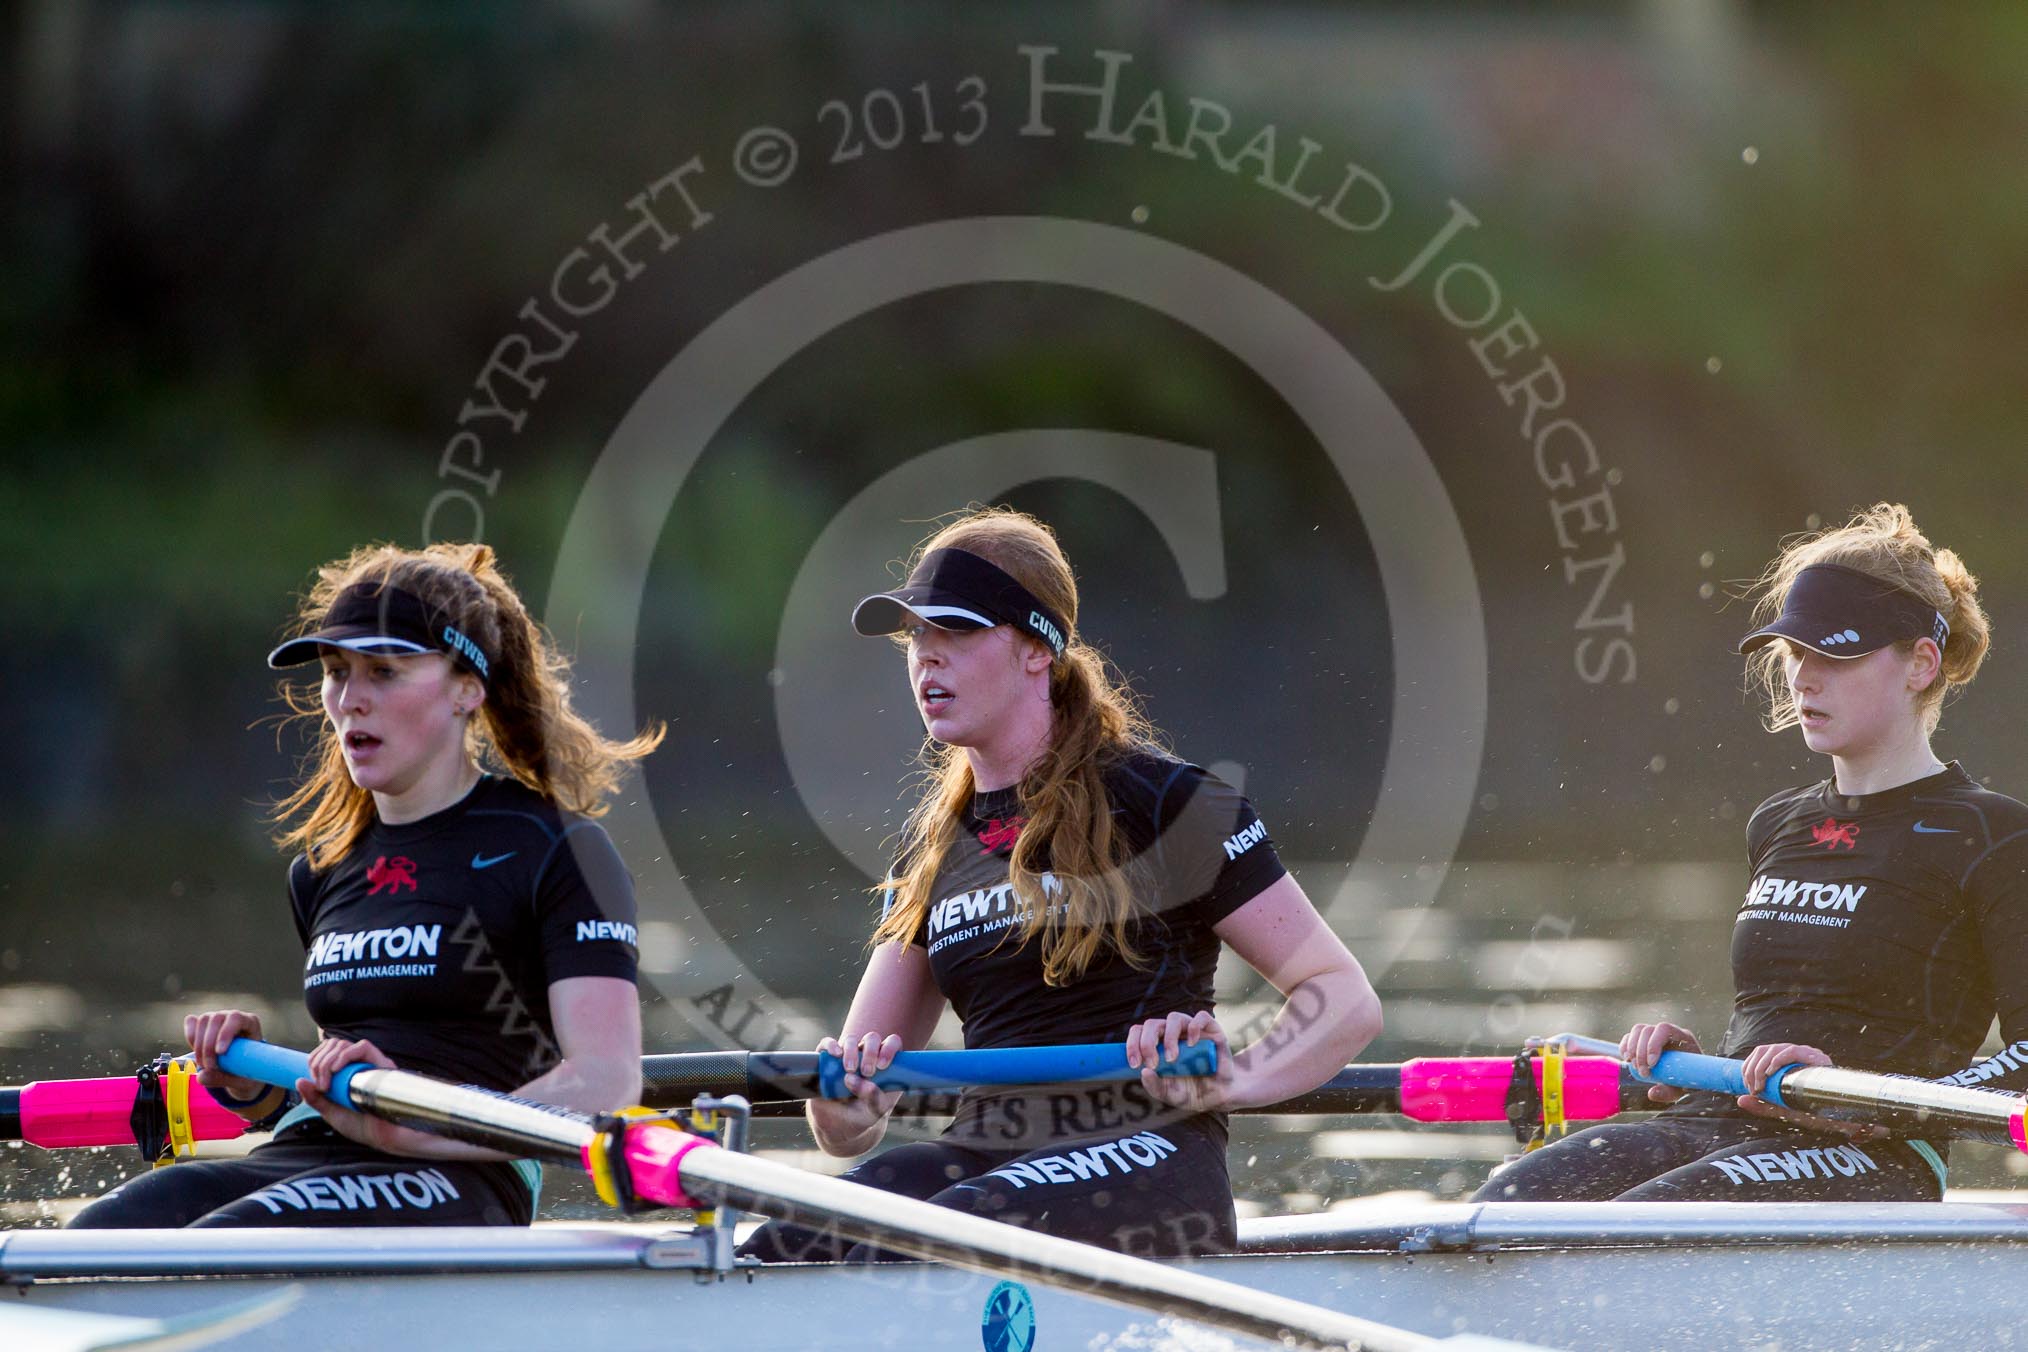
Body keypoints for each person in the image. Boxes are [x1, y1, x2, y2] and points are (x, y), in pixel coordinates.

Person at [740, 506, 1382, 1262]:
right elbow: (846, 1126)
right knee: (777, 1249)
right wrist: (846, 1103)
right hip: (984, 1157)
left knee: (932, 1236)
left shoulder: (1171, 804)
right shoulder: (933, 849)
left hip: (1148, 1155)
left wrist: (1228, 1081)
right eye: (917, 636)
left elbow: (1343, 1001)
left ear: (1037, 650)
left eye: (957, 632)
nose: (927, 658)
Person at [72, 543, 660, 1228]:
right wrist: (255, 1090)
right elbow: (352, 1062)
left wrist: (414, 1133)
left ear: (467, 688)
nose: (351, 700)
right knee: (100, 1232)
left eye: (384, 671)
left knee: (223, 1243)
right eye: (336, 672)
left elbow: (607, 1083)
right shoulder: (323, 870)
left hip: (459, 1176)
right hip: (308, 1154)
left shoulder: (556, 849)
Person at [1478, 503, 2028, 1203]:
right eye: (1797, 652)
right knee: (1506, 1203)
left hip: (1875, 1159)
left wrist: (1879, 1100)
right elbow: (1789, 1018)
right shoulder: (1778, 823)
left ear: (1920, 663)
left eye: (1836, 654)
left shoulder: (1996, 837)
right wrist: (1687, 1060)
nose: (1804, 677)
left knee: (1635, 1222)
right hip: (1720, 1120)